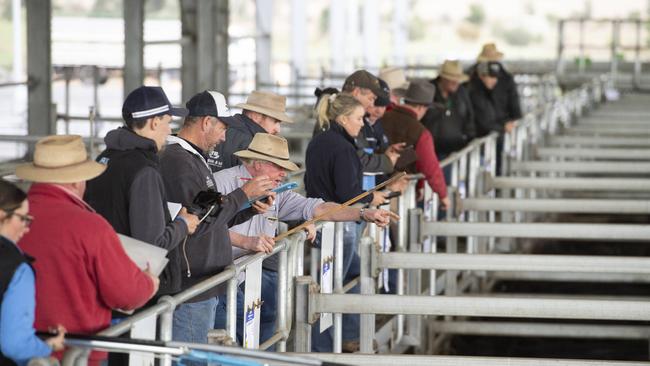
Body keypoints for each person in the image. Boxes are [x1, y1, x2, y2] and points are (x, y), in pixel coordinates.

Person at [214, 133, 397, 347]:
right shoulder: (221, 183)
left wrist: (363, 214)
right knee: (226, 346)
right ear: (257, 164)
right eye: (277, 166)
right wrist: (246, 241)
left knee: (262, 340)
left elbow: (319, 208)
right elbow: (202, 229)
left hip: (251, 278)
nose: (283, 173)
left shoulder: (276, 191)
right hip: (219, 281)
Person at [16, 135, 158, 365]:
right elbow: (125, 294)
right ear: (76, 181)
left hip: (16, 349)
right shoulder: (90, 226)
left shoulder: (11, 219)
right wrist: (149, 283)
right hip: (74, 352)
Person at [159, 90, 274, 346]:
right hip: (192, 286)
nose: (224, 138)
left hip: (202, 282)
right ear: (206, 122)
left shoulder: (190, 159)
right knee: (191, 359)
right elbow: (199, 221)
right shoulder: (180, 162)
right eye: (223, 128)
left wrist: (247, 208)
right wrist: (243, 194)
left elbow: (207, 214)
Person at [85, 86, 200, 297]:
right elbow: (151, 244)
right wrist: (183, 225)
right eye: (167, 122)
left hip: (102, 276)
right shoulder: (143, 170)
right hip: (136, 285)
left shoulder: (105, 157)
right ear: (155, 122)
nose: (168, 130)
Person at [305, 93, 390, 352]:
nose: (362, 123)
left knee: (341, 279)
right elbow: (347, 194)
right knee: (334, 286)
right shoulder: (342, 147)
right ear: (343, 119)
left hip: (324, 221)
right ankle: (326, 347)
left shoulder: (319, 141)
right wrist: (372, 196)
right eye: (358, 118)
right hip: (341, 225)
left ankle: (345, 338)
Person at [0, 180, 65, 366]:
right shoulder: (18, 269)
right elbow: (15, 344)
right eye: (23, 218)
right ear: (2, 215)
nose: (27, 228)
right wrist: (47, 346)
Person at [381, 81, 450, 209]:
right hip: (398, 191)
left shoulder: (382, 117)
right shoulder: (421, 132)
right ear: (421, 108)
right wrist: (443, 195)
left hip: (371, 187)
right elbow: (430, 167)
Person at [208, 90, 294, 172]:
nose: (278, 129)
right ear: (256, 116)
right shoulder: (255, 146)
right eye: (275, 121)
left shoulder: (217, 130)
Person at [421, 60, 476, 159]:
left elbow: (469, 118)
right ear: (442, 78)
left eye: (457, 79)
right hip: (432, 151)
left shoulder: (462, 92)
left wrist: (470, 140)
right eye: (451, 79)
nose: (455, 82)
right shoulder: (427, 91)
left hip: (457, 149)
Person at [468, 43, 521, 134]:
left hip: (500, 128)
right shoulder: (472, 82)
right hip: (484, 130)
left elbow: (515, 107)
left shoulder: (506, 79)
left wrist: (509, 123)